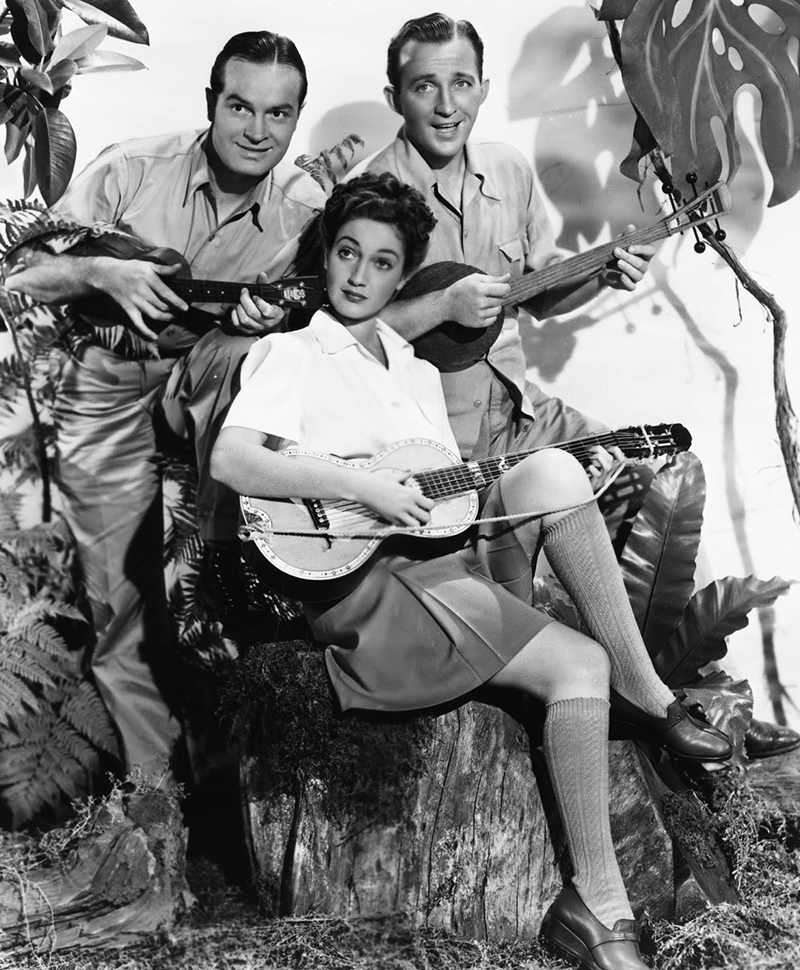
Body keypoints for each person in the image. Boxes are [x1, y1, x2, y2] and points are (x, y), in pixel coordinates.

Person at [211, 173, 732, 970]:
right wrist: (362, 485)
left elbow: (445, 502)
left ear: (402, 275)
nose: (358, 274)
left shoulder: (416, 371)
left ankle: (644, 689)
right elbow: (232, 459)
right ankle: (597, 904)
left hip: (439, 561)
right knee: (577, 663)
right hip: (367, 587)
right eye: (347, 252)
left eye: (382, 262)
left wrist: (526, 484)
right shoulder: (293, 351)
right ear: (327, 255)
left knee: (554, 469)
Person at [359, 11, 798, 762]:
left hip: (523, 414)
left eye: (461, 83)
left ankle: (687, 690)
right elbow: (338, 337)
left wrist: (601, 276)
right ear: (394, 95)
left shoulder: (506, 172)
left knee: (649, 483)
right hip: (436, 448)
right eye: (424, 86)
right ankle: (636, 701)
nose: (446, 104)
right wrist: (439, 306)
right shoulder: (367, 195)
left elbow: (535, 294)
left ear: (482, 88)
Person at [3, 30, 325, 785]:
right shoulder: (132, 169)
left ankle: (230, 790)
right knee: (117, 606)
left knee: (221, 592)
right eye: (240, 107)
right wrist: (98, 271)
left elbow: (331, 321)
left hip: (208, 388)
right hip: (105, 385)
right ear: (211, 102)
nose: (257, 130)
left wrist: (269, 322)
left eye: (278, 114)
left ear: (296, 118)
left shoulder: (306, 217)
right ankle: (152, 796)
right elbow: (19, 275)